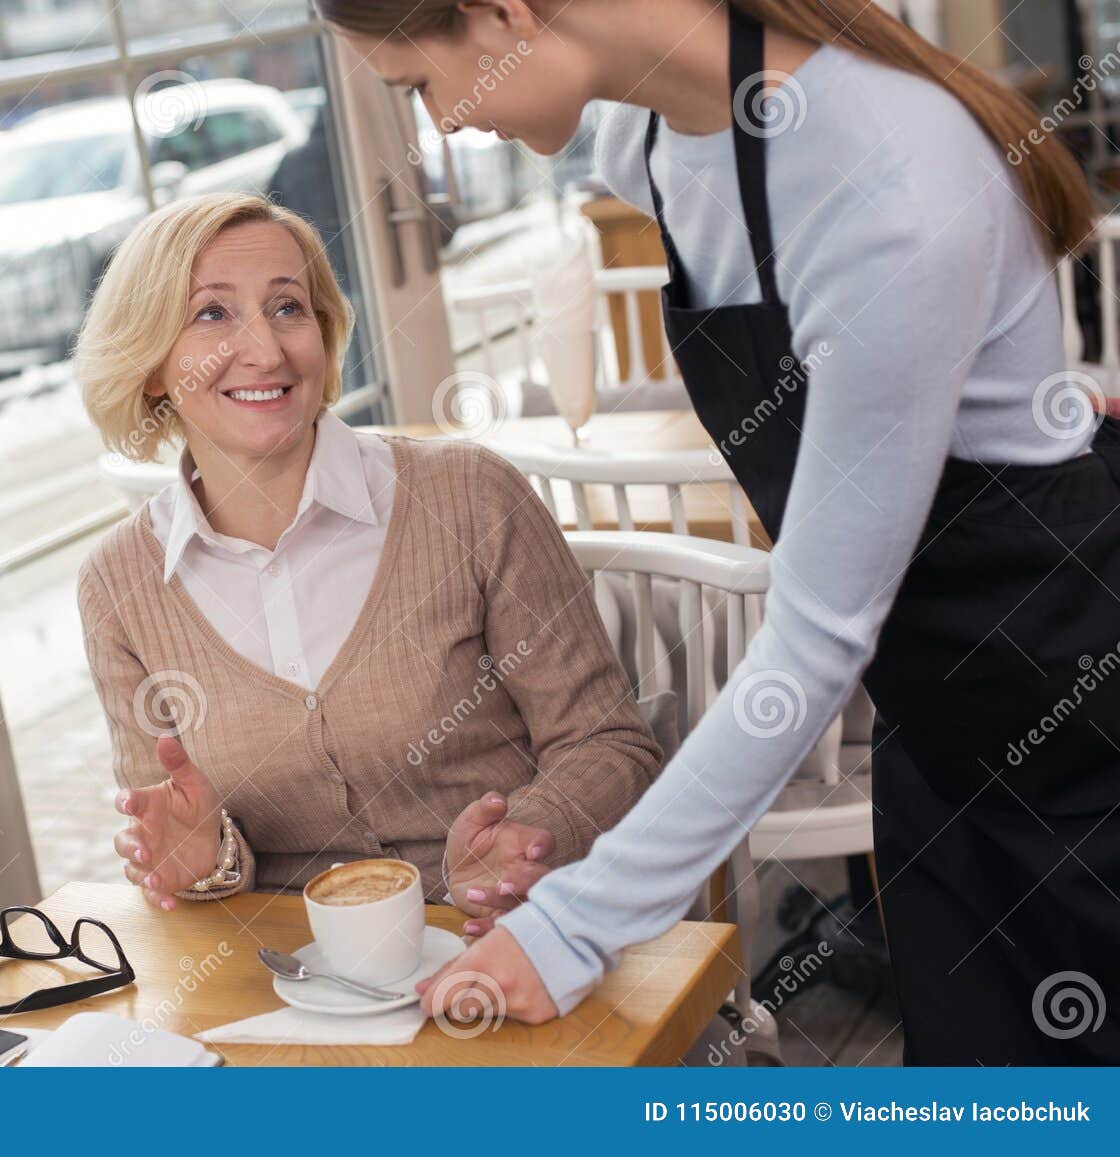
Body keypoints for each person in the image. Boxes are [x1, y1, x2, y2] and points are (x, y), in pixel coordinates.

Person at [321, 0, 1120, 1063]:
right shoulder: (650, 135)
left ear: (503, 14)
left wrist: (573, 922)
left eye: (414, 89)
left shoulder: (884, 180)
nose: (439, 130)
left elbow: (814, 641)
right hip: (938, 724)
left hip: (1082, 727)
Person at [74, 191, 664, 923]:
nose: (266, 349)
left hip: (513, 931)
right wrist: (206, 859)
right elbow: (177, 831)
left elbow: (608, 742)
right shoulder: (118, 584)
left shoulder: (471, 498)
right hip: (289, 978)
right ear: (152, 366)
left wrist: (530, 834)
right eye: (212, 314)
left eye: (288, 308)